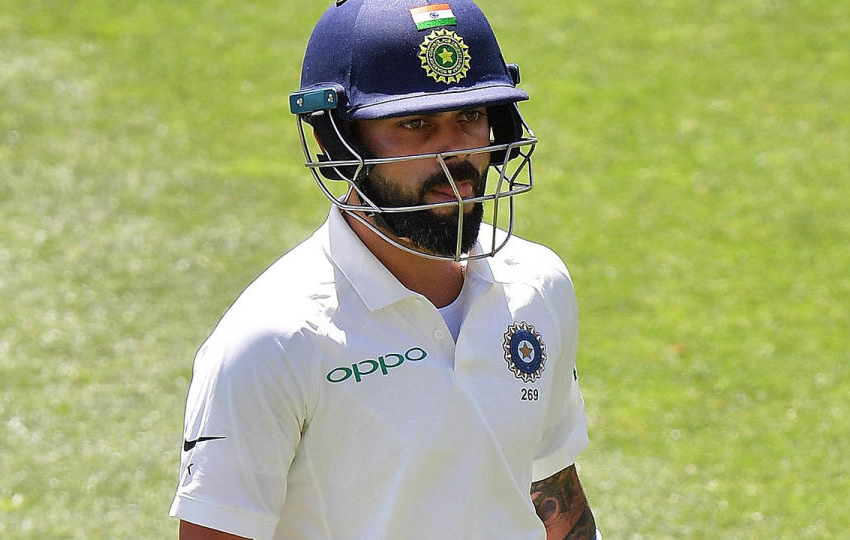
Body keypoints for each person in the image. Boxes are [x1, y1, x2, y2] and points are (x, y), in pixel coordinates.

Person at [170, 1, 599, 538]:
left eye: (471, 116)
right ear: (336, 140)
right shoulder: (273, 341)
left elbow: (551, 492)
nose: (456, 153)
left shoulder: (538, 283)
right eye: (415, 124)